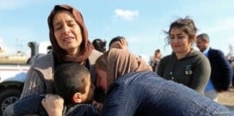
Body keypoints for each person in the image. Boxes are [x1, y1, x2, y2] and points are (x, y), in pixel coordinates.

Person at [4, 4, 102, 115]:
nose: (66, 30)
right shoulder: (41, 67)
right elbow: (21, 111)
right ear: (53, 34)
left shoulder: (101, 61)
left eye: (71, 24)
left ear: (81, 27)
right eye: (59, 27)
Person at [95, 48, 232, 116]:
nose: (98, 84)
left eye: (99, 77)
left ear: (111, 69)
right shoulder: (147, 79)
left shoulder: (125, 85)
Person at [3, 63, 98, 116]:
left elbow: (9, 111)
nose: (94, 86)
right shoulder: (87, 110)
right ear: (77, 97)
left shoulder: (41, 100)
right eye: (90, 86)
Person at [156, 16, 211, 94]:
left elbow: (196, 94)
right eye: (172, 37)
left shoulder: (200, 61)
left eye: (180, 37)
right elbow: (157, 90)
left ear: (191, 38)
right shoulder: (164, 62)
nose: (175, 41)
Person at [196, 33, 233, 101]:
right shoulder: (198, 56)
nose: (197, 45)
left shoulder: (216, 54)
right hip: (200, 90)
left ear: (206, 42)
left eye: (199, 42)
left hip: (211, 90)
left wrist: (224, 87)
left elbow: (228, 69)